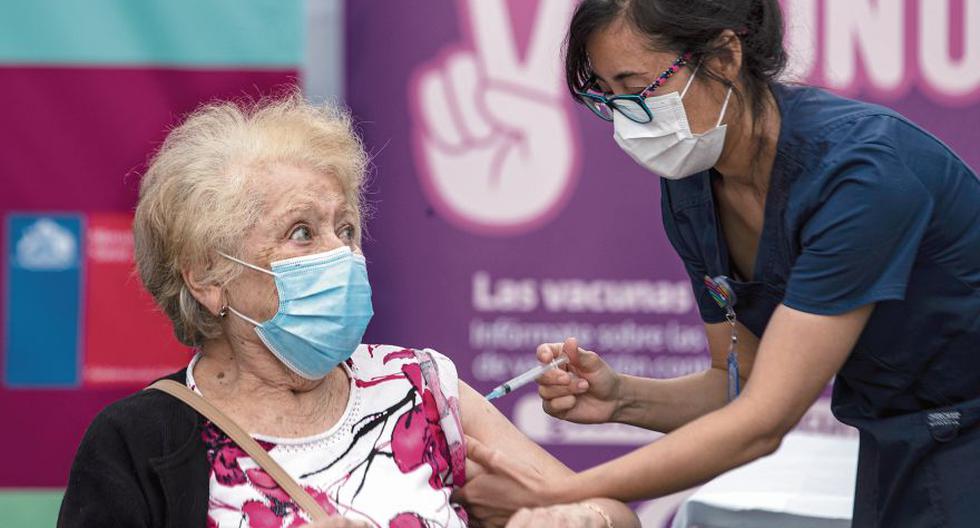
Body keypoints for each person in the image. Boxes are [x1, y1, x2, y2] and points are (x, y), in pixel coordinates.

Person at [457, 0, 980, 526]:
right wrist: (622, 400)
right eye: (608, 95)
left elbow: (762, 422)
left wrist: (557, 497)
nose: (625, 117)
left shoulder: (862, 175)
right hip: (901, 443)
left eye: (637, 87)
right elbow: (741, 384)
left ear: (725, 56)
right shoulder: (691, 185)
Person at [57, 91, 640, 528]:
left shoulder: (421, 387)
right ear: (209, 278)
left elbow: (616, 512)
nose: (341, 254)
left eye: (346, 228)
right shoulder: (139, 440)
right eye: (302, 232)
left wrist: (581, 520)